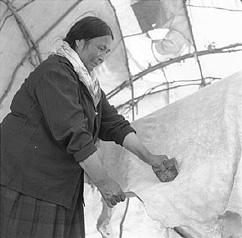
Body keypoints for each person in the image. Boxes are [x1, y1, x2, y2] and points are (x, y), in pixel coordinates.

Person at [0, 16, 175, 238]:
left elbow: (112, 123)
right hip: (24, 177)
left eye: (107, 52)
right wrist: (103, 180)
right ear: (80, 42)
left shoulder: (87, 82)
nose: (102, 57)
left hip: (54, 182)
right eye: (100, 48)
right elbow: (73, 131)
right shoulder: (55, 72)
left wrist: (150, 158)